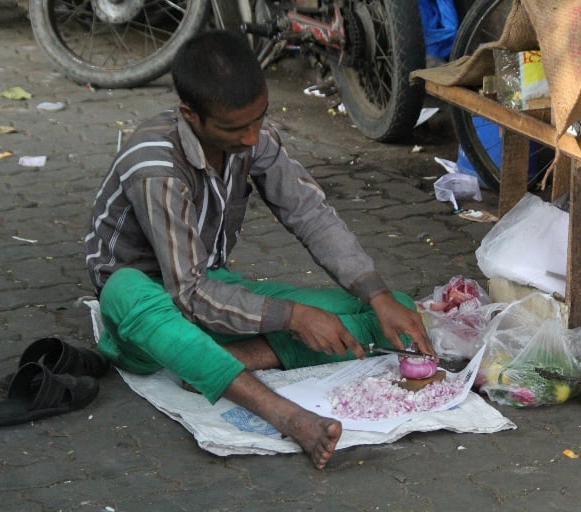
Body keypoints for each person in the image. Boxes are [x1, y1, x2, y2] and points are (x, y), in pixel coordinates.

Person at [84, 30, 434, 470]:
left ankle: (225, 361)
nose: (252, 138)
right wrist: (292, 318)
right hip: (146, 305)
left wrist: (377, 294)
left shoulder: (254, 141)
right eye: (236, 128)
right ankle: (287, 416)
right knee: (126, 289)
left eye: (259, 120)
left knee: (393, 313)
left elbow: (311, 214)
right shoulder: (156, 167)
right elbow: (186, 295)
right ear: (189, 114)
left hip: (213, 286)